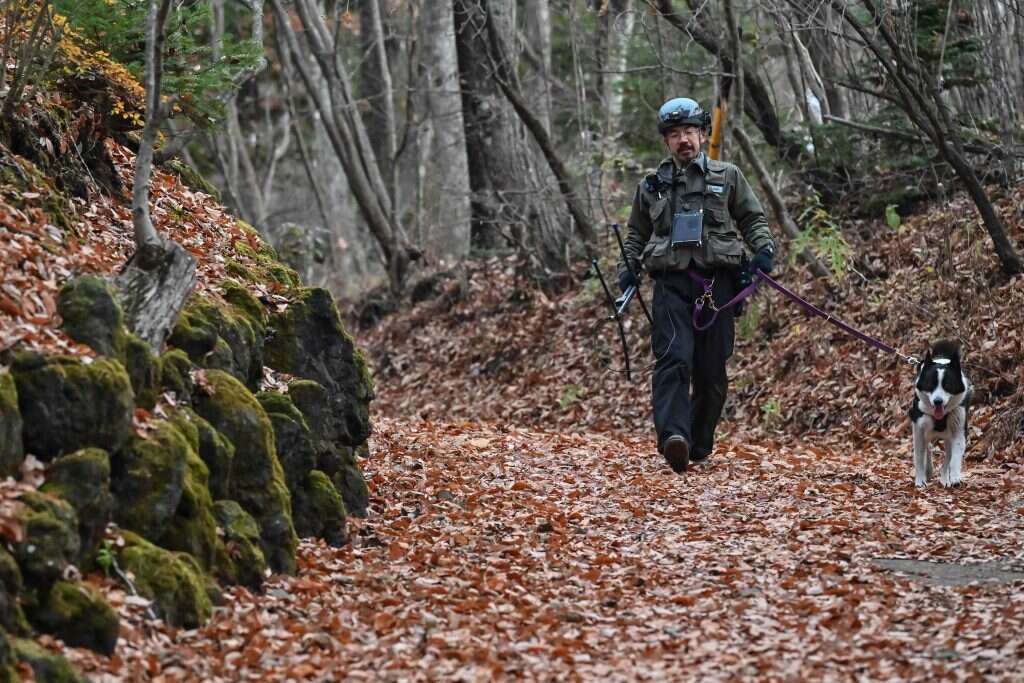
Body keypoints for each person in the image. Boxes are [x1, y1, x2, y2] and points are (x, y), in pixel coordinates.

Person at [618, 97, 776, 474]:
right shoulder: (651, 187)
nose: (683, 140)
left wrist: (763, 252)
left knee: (711, 370)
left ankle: (699, 442)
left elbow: (752, 218)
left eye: (689, 131)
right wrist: (627, 267)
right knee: (673, 357)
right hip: (671, 284)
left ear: (703, 135)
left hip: (716, 286)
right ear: (666, 142)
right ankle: (675, 438)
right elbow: (636, 234)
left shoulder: (728, 177)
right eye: (675, 134)